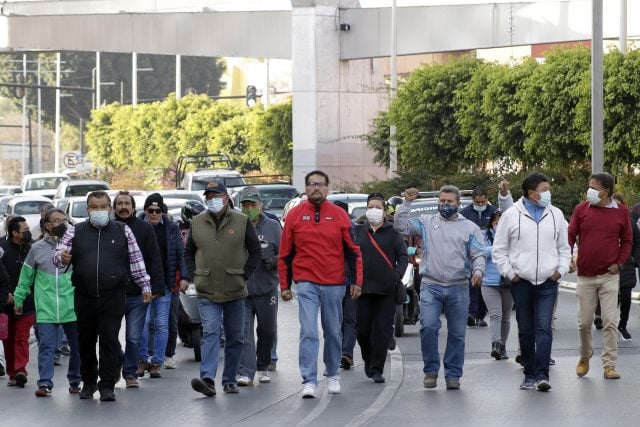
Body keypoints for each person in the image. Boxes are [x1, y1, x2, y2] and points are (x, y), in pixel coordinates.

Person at [53, 190, 152, 402]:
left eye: (102, 207)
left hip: (113, 296)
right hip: (84, 295)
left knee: (109, 340)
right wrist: (61, 257)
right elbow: (58, 255)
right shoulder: (75, 230)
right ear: (88, 209)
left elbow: (136, 260)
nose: (98, 211)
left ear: (110, 208)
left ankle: (107, 385)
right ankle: (88, 382)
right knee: (85, 341)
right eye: (94, 207)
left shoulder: (122, 230)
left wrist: (145, 285)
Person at [279, 170, 363, 399]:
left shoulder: (339, 215)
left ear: (327, 188)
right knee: (308, 331)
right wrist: (284, 285)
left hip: (334, 283)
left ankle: (333, 373)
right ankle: (309, 379)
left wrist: (356, 281)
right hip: (306, 283)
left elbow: (353, 251)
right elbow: (285, 254)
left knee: (333, 332)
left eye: (321, 184)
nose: (316, 188)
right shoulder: (295, 215)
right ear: (305, 188)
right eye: (311, 184)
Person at [395, 185, 485, 390]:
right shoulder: (426, 222)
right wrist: (406, 202)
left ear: (458, 204)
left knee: (457, 333)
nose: (445, 205)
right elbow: (401, 226)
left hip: (459, 286)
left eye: (449, 202)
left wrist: (478, 272)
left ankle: (453, 374)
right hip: (431, 285)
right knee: (428, 326)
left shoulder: (470, 227)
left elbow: (478, 254)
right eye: (442, 201)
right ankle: (431, 370)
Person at [492, 172, 571, 392]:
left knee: (544, 327)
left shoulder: (556, 214)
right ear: (531, 193)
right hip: (521, 282)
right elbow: (499, 250)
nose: (548, 193)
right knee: (526, 329)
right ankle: (529, 374)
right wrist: (511, 273)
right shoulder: (510, 215)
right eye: (544, 189)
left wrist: (560, 271)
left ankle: (542, 375)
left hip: (548, 282)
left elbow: (565, 248)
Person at [185, 181, 262, 397]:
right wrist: (194, 274)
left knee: (235, 337)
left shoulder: (242, 221)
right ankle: (207, 379)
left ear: (226, 198)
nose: (212, 200)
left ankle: (229, 380)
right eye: (208, 196)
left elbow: (255, 251)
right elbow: (188, 252)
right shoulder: (197, 222)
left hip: (235, 290)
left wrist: (244, 275)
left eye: (216, 195)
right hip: (206, 289)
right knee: (209, 332)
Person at [568, 173, 632, 380]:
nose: (590, 191)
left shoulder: (621, 212)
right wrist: (569, 257)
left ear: (605, 192)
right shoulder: (581, 210)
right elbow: (570, 235)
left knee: (610, 321)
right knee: (584, 323)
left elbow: (628, 241)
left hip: (609, 276)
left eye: (593, 188)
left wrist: (619, 263)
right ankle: (585, 356)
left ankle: (609, 365)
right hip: (585, 276)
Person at [12, 208, 81, 397]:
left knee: (78, 346)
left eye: (64, 220)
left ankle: (75, 380)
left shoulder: (76, 246)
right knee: (46, 346)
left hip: (72, 307)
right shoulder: (37, 248)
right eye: (57, 221)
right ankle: (45, 384)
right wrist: (19, 299)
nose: (62, 224)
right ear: (48, 225)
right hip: (46, 309)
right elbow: (25, 277)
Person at [112, 191, 164, 388]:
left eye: (127, 203)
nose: (123, 207)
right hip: (112, 293)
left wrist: (156, 287)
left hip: (137, 293)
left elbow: (154, 258)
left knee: (134, 337)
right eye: (120, 204)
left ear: (134, 208)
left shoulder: (144, 229)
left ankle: (130, 373)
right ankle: (120, 360)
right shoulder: (108, 229)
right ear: (114, 207)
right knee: (109, 336)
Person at [354, 193, 408, 383]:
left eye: (378, 207)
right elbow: (349, 255)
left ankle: (377, 368)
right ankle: (368, 360)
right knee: (362, 331)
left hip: (386, 290)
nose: (374, 210)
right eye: (371, 206)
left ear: (385, 212)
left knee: (382, 331)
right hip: (362, 290)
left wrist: (396, 275)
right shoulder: (357, 232)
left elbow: (403, 257)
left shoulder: (394, 235)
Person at [138, 193, 189, 379]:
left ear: (162, 211)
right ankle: (142, 359)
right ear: (145, 211)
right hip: (141, 285)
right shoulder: (137, 228)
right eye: (150, 210)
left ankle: (157, 362)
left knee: (161, 324)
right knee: (143, 324)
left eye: (157, 210)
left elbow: (180, 254)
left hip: (165, 284)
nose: (154, 214)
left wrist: (184, 276)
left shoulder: (171, 229)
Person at [236, 187, 281, 386]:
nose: (249, 208)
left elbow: (287, 254)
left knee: (267, 330)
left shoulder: (273, 226)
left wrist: (275, 260)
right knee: (244, 332)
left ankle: (263, 365)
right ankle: (246, 371)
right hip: (242, 290)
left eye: (252, 205)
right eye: (245, 205)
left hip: (267, 289)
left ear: (260, 205)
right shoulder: (236, 226)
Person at [459, 183, 513, 327]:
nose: (480, 204)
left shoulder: (494, 212)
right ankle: (471, 313)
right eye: (477, 202)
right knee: (473, 286)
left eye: (483, 202)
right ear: (473, 200)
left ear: (487, 199)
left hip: (491, 259)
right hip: (471, 254)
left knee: (485, 287)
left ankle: (480, 316)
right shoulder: (465, 213)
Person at [1, 216, 34, 388]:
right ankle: (12, 373)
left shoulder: (33, 248)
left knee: (22, 336)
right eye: (25, 230)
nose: (28, 233)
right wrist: (5, 293)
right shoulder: (2, 248)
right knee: (8, 339)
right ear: (14, 233)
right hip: (6, 304)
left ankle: (21, 370)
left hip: (28, 304)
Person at [480, 210, 513, 360]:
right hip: (489, 282)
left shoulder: (513, 236)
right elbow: (480, 251)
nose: (499, 226)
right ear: (491, 223)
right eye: (496, 223)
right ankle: (496, 344)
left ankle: (503, 347)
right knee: (495, 314)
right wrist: (498, 248)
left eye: (502, 224)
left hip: (508, 281)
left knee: (506, 317)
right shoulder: (484, 235)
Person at [612, 193, 640, 341]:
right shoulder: (606, 220)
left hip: (626, 265)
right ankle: (604, 319)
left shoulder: (630, 222)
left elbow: (637, 241)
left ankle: (622, 324)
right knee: (608, 297)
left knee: (626, 297)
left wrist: (634, 258)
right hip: (608, 265)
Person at [333, 200, 357, 371]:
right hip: (332, 283)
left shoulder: (352, 231)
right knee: (336, 321)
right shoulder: (326, 231)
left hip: (348, 283)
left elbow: (357, 257)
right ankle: (339, 353)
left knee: (348, 319)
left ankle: (346, 354)